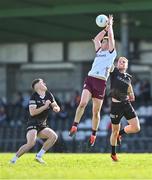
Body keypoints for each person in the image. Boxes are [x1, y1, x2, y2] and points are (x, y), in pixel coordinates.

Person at [69, 15, 117, 147]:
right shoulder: (99, 51)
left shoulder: (111, 54)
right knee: (83, 103)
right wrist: (104, 29)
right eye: (103, 42)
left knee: (96, 111)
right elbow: (96, 39)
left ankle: (93, 134)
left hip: (101, 83)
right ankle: (74, 125)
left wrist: (110, 27)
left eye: (105, 42)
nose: (103, 42)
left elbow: (111, 39)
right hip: (90, 79)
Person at [10, 78, 60, 164]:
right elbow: (32, 112)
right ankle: (13, 160)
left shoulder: (49, 94)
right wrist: (45, 106)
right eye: (42, 82)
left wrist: (56, 108)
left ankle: (39, 156)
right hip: (33, 123)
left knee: (54, 136)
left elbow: (56, 105)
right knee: (31, 143)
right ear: (37, 86)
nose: (44, 83)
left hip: (42, 124)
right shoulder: (34, 96)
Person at [109, 57, 140, 161]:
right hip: (115, 106)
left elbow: (129, 87)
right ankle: (113, 153)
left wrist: (131, 94)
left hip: (126, 104)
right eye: (119, 62)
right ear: (117, 65)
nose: (121, 63)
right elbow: (108, 61)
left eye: (124, 62)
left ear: (126, 66)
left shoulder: (128, 77)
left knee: (136, 128)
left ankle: (120, 134)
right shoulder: (114, 72)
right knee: (114, 131)